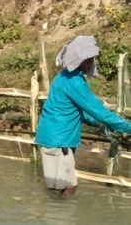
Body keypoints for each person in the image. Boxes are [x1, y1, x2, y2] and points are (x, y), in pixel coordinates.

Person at [35, 35, 131, 197]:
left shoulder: (62, 77)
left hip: (51, 137)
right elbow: (99, 112)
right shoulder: (75, 82)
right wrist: (127, 126)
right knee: (68, 186)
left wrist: (97, 123)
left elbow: (78, 110)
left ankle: (52, 215)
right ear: (81, 61)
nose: (92, 63)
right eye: (90, 59)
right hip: (60, 140)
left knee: (56, 186)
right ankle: (61, 217)